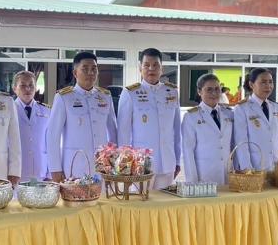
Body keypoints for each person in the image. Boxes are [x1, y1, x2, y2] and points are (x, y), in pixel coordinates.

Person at [47, 51, 117, 181]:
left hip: (102, 166)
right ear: (75, 73)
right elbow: (53, 135)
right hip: (75, 165)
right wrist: (55, 169)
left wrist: (114, 161)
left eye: (94, 69)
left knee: (103, 194)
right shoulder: (64, 97)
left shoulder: (105, 96)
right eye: (85, 69)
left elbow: (113, 132)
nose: (90, 73)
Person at [116, 48, 181, 189]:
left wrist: (177, 161)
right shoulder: (130, 93)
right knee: (140, 201)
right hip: (141, 164)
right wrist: (125, 163)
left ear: (162, 69)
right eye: (146, 65)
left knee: (165, 201)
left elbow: (176, 130)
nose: (151, 69)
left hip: (167, 161)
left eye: (155, 65)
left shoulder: (172, 92)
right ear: (140, 68)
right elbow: (123, 132)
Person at [181, 73, 234, 184]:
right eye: (209, 89)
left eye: (217, 89)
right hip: (204, 176)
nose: (214, 93)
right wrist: (192, 182)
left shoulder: (229, 113)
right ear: (199, 91)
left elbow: (233, 145)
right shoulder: (191, 116)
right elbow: (188, 151)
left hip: (227, 174)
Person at [233, 68, 278, 171]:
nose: (268, 86)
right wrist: (247, 169)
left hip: (277, 166)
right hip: (255, 167)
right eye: (263, 82)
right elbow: (241, 142)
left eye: (270, 82)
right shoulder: (242, 108)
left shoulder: (277, 108)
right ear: (251, 84)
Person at [12, 70, 50, 181]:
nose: (28, 89)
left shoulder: (46, 111)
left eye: (31, 85)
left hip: (41, 171)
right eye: (23, 85)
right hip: (17, 173)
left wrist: (50, 174)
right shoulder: (9, 111)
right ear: (14, 89)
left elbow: (50, 144)